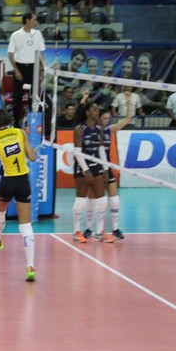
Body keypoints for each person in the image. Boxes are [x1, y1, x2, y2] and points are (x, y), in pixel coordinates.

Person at [0, 108, 37, 281]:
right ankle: (30, 266)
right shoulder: (20, 132)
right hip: (23, 181)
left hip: (8, 181)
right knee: (25, 225)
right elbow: (33, 157)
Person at [83, 96, 133, 241]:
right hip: (93, 167)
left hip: (107, 167)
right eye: (105, 118)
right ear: (98, 118)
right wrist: (85, 98)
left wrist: (129, 104)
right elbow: (81, 116)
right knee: (93, 199)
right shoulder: (91, 129)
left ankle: (115, 229)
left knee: (115, 199)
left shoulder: (109, 130)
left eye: (108, 118)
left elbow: (127, 119)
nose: (107, 121)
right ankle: (88, 229)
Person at [72, 93, 114, 243]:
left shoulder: (99, 129)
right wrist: (85, 170)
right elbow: (77, 153)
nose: (98, 113)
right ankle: (76, 231)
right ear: (87, 112)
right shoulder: (79, 129)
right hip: (82, 166)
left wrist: (106, 169)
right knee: (81, 200)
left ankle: (99, 232)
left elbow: (101, 150)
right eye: (95, 110)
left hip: (96, 165)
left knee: (102, 200)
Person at [7, 12, 45, 129]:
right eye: (34, 20)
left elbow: (40, 52)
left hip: (33, 68)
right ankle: (16, 124)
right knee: (17, 99)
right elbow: (10, 54)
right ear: (27, 20)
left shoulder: (37, 34)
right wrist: (16, 70)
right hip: (20, 67)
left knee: (33, 98)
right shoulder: (16, 35)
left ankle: (33, 123)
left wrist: (42, 68)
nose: (36, 22)